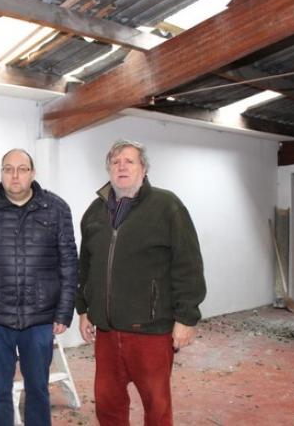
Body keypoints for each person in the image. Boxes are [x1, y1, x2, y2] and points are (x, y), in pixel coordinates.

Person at [76, 139, 206, 426]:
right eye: (115, 162)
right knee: (108, 405)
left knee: (157, 406)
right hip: (107, 332)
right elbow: (85, 265)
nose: (121, 166)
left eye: (129, 161)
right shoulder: (95, 211)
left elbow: (188, 264)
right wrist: (83, 309)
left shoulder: (166, 206)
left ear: (143, 169)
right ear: (109, 169)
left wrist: (186, 317)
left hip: (150, 331)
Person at [0, 148, 78, 426]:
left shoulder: (56, 208)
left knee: (38, 389)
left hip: (39, 319)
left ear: (33, 173)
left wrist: (63, 312)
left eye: (22, 169)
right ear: (1, 172)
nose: (15, 175)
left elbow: (68, 262)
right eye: (8, 169)